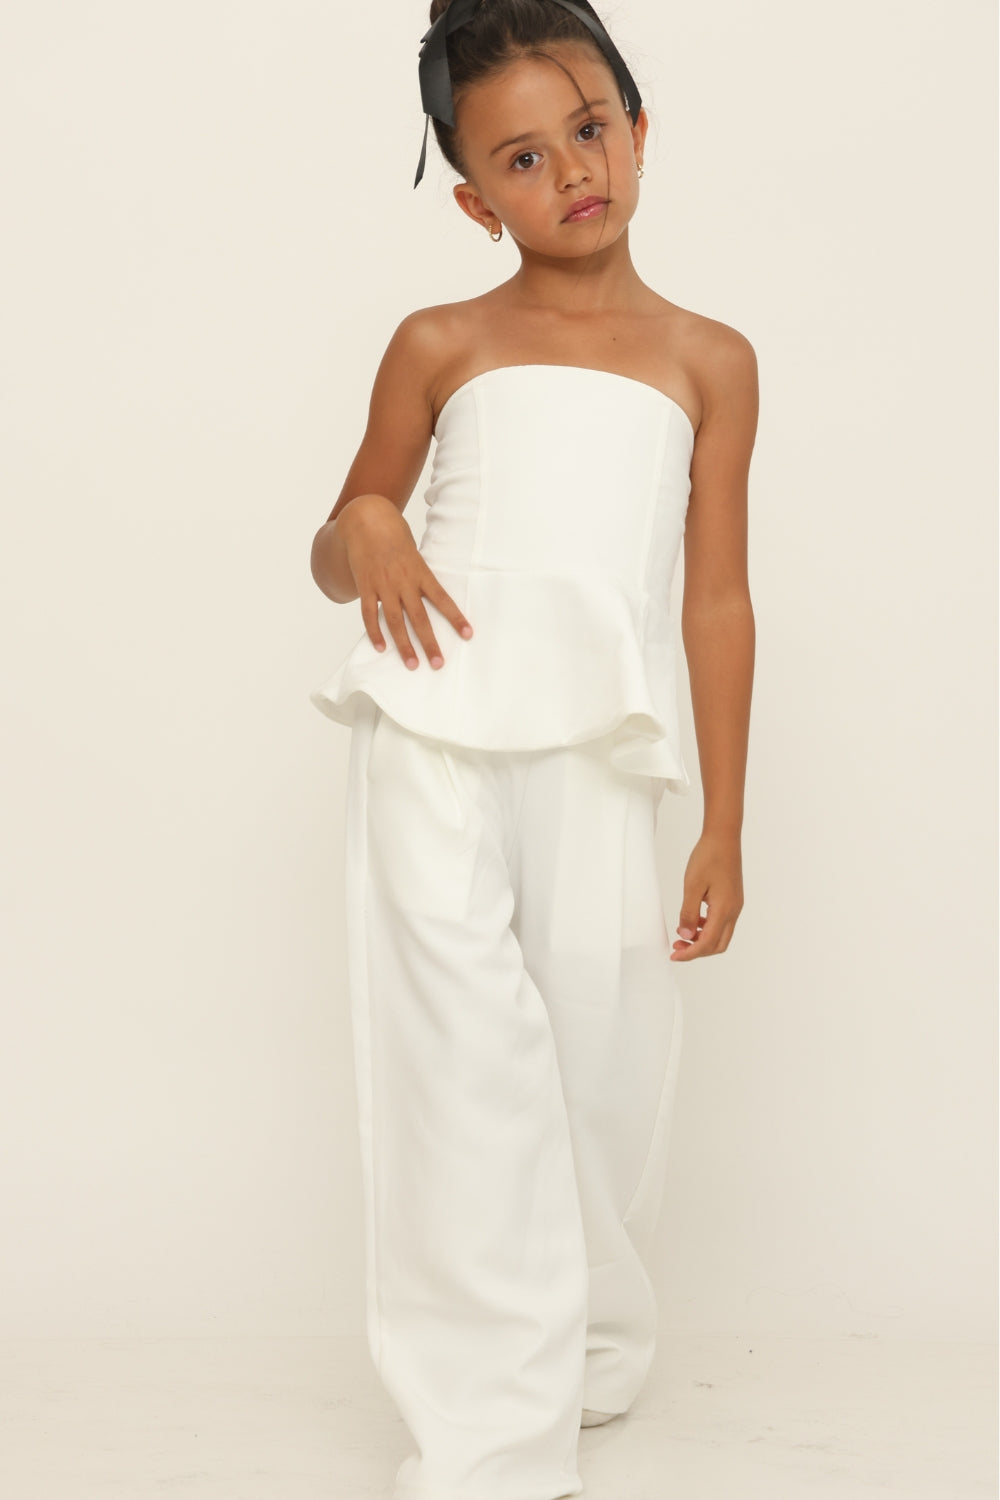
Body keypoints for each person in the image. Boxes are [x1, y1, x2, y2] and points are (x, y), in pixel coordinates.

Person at [308, 1, 756, 1495]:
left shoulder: (710, 359)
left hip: (601, 753)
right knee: (468, 1066)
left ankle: (587, 1344)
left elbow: (716, 599)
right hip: (433, 725)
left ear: (638, 128)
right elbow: (337, 546)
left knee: (599, 1065)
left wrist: (723, 819)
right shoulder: (440, 343)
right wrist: (369, 522)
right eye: (521, 157)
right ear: (473, 201)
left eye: (590, 129)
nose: (571, 170)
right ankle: (493, 1441)